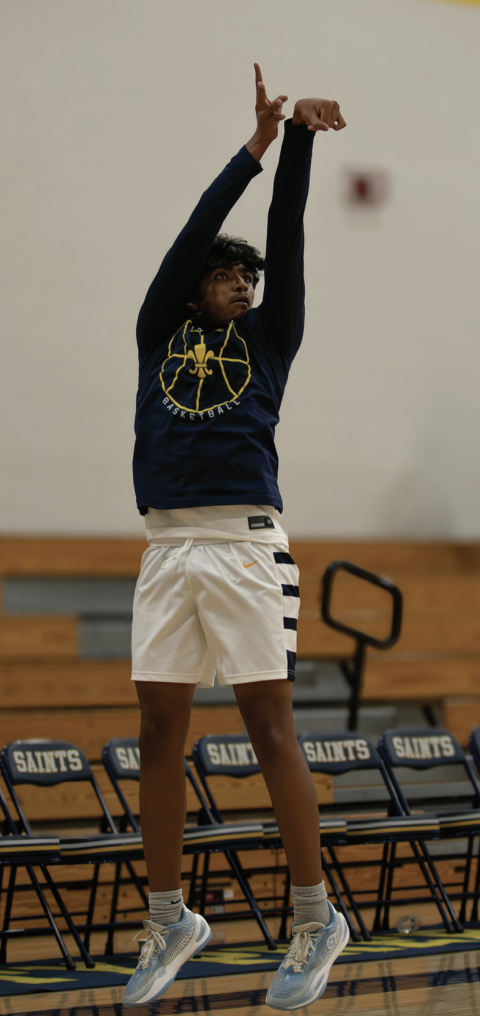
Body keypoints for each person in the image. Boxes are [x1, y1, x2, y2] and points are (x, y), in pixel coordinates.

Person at [123, 64, 348, 1011]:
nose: (246, 285)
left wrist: (297, 141)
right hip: (167, 549)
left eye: (251, 278)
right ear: (194, 289)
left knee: (270, 730)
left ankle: (313, 917)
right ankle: (170, 915)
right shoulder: (155, 330)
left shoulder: (272, 336)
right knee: (159, 732)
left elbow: (288, 236)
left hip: (248, 547)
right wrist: (254, 143)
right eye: (230, 274)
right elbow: (190, 232)